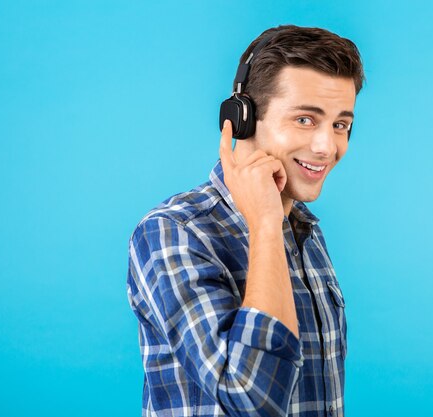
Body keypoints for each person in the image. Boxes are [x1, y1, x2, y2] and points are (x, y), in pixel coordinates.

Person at [127, 24, 365, 417]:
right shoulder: (172, 232)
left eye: (340, 125)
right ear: (242, 119)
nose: (327, 147)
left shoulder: (305, 230)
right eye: (305, 120)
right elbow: (253, 400)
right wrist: (265, 225)